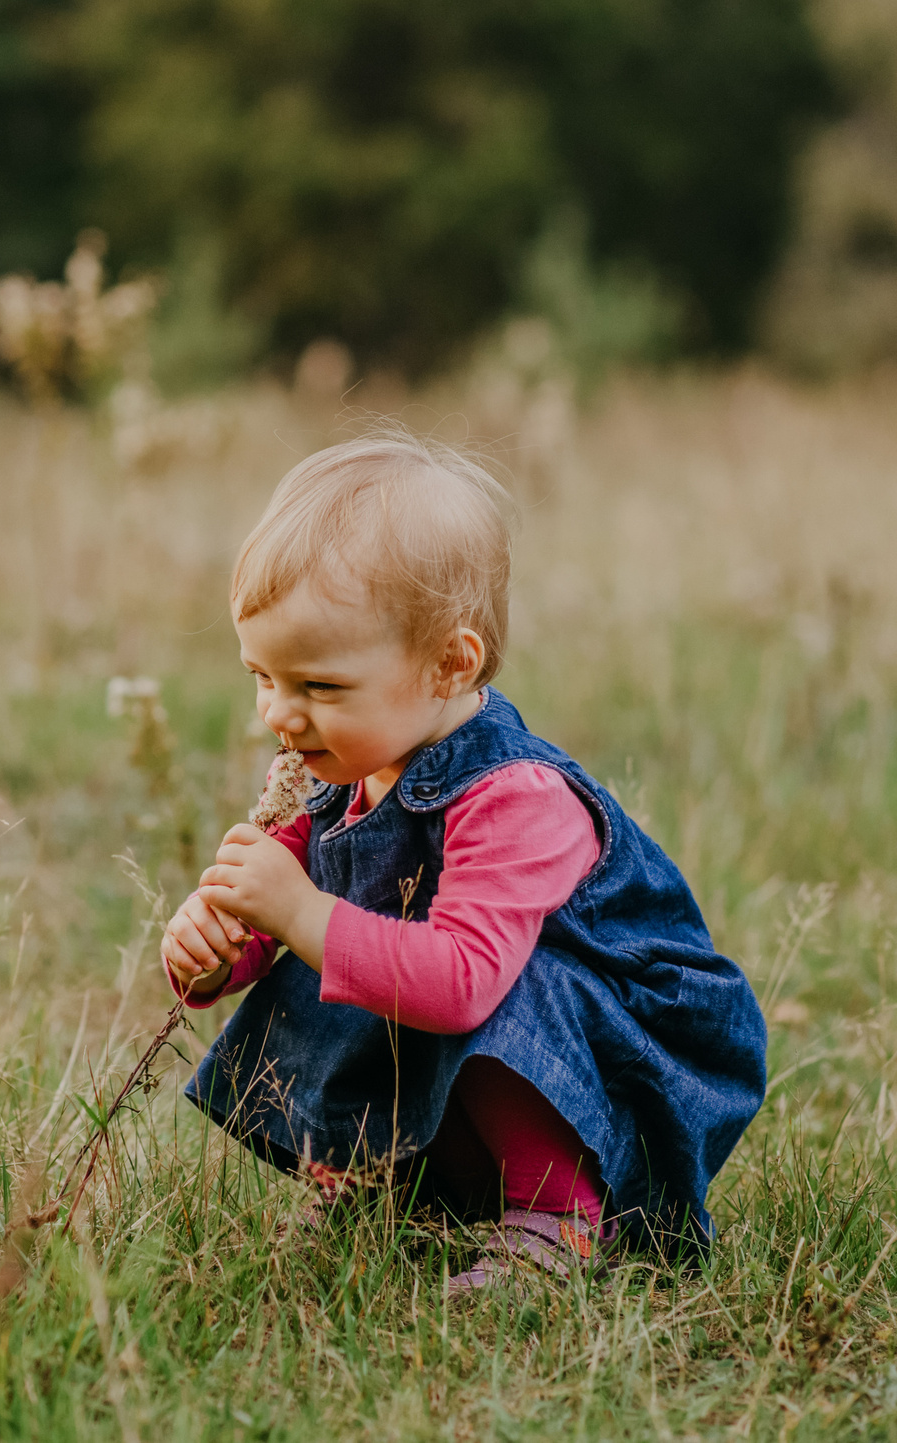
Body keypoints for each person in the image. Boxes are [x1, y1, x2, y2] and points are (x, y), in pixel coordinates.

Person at [161, 433, 766, 1285]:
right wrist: (222, 942)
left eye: (321, 687)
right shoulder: (346, 767)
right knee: (336, 954)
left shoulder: (516, 795)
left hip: (619, 1086)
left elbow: (459, 984)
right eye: (263, 675)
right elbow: (279, 924)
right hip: (477, 1091)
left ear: (451, 663)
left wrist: (299, 911)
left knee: (462, 966)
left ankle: (559, 1217)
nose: (280, 715)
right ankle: (382, 1182)